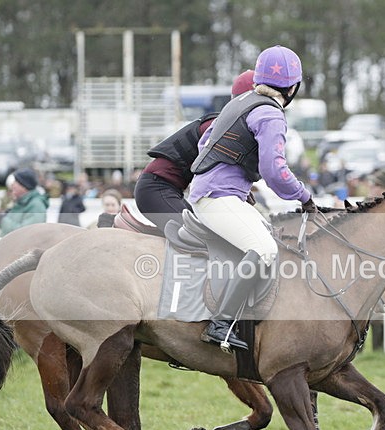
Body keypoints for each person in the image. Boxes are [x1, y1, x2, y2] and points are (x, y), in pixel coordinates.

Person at [189, 45, 315, 351]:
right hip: (219, 197)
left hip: (212, 191)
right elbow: (274, 171)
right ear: (293, 87)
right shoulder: (271, 114)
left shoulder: (243, 101)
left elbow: (205, 143)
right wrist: (304, 196)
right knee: (264, 248)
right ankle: (221, 324)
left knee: (271, 240)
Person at [133, 69, 257, 233]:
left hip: (164, 188)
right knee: (204, 237)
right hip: (157, 189)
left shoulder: (229, 123)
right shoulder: (224, 126)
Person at [0, 168, 49, 236]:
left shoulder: (36, 205)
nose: (12, 185)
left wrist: (1, 220)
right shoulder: (22, 202)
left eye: (16, 182)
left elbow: (27, 233)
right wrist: (3, 216)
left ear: (24, 186)